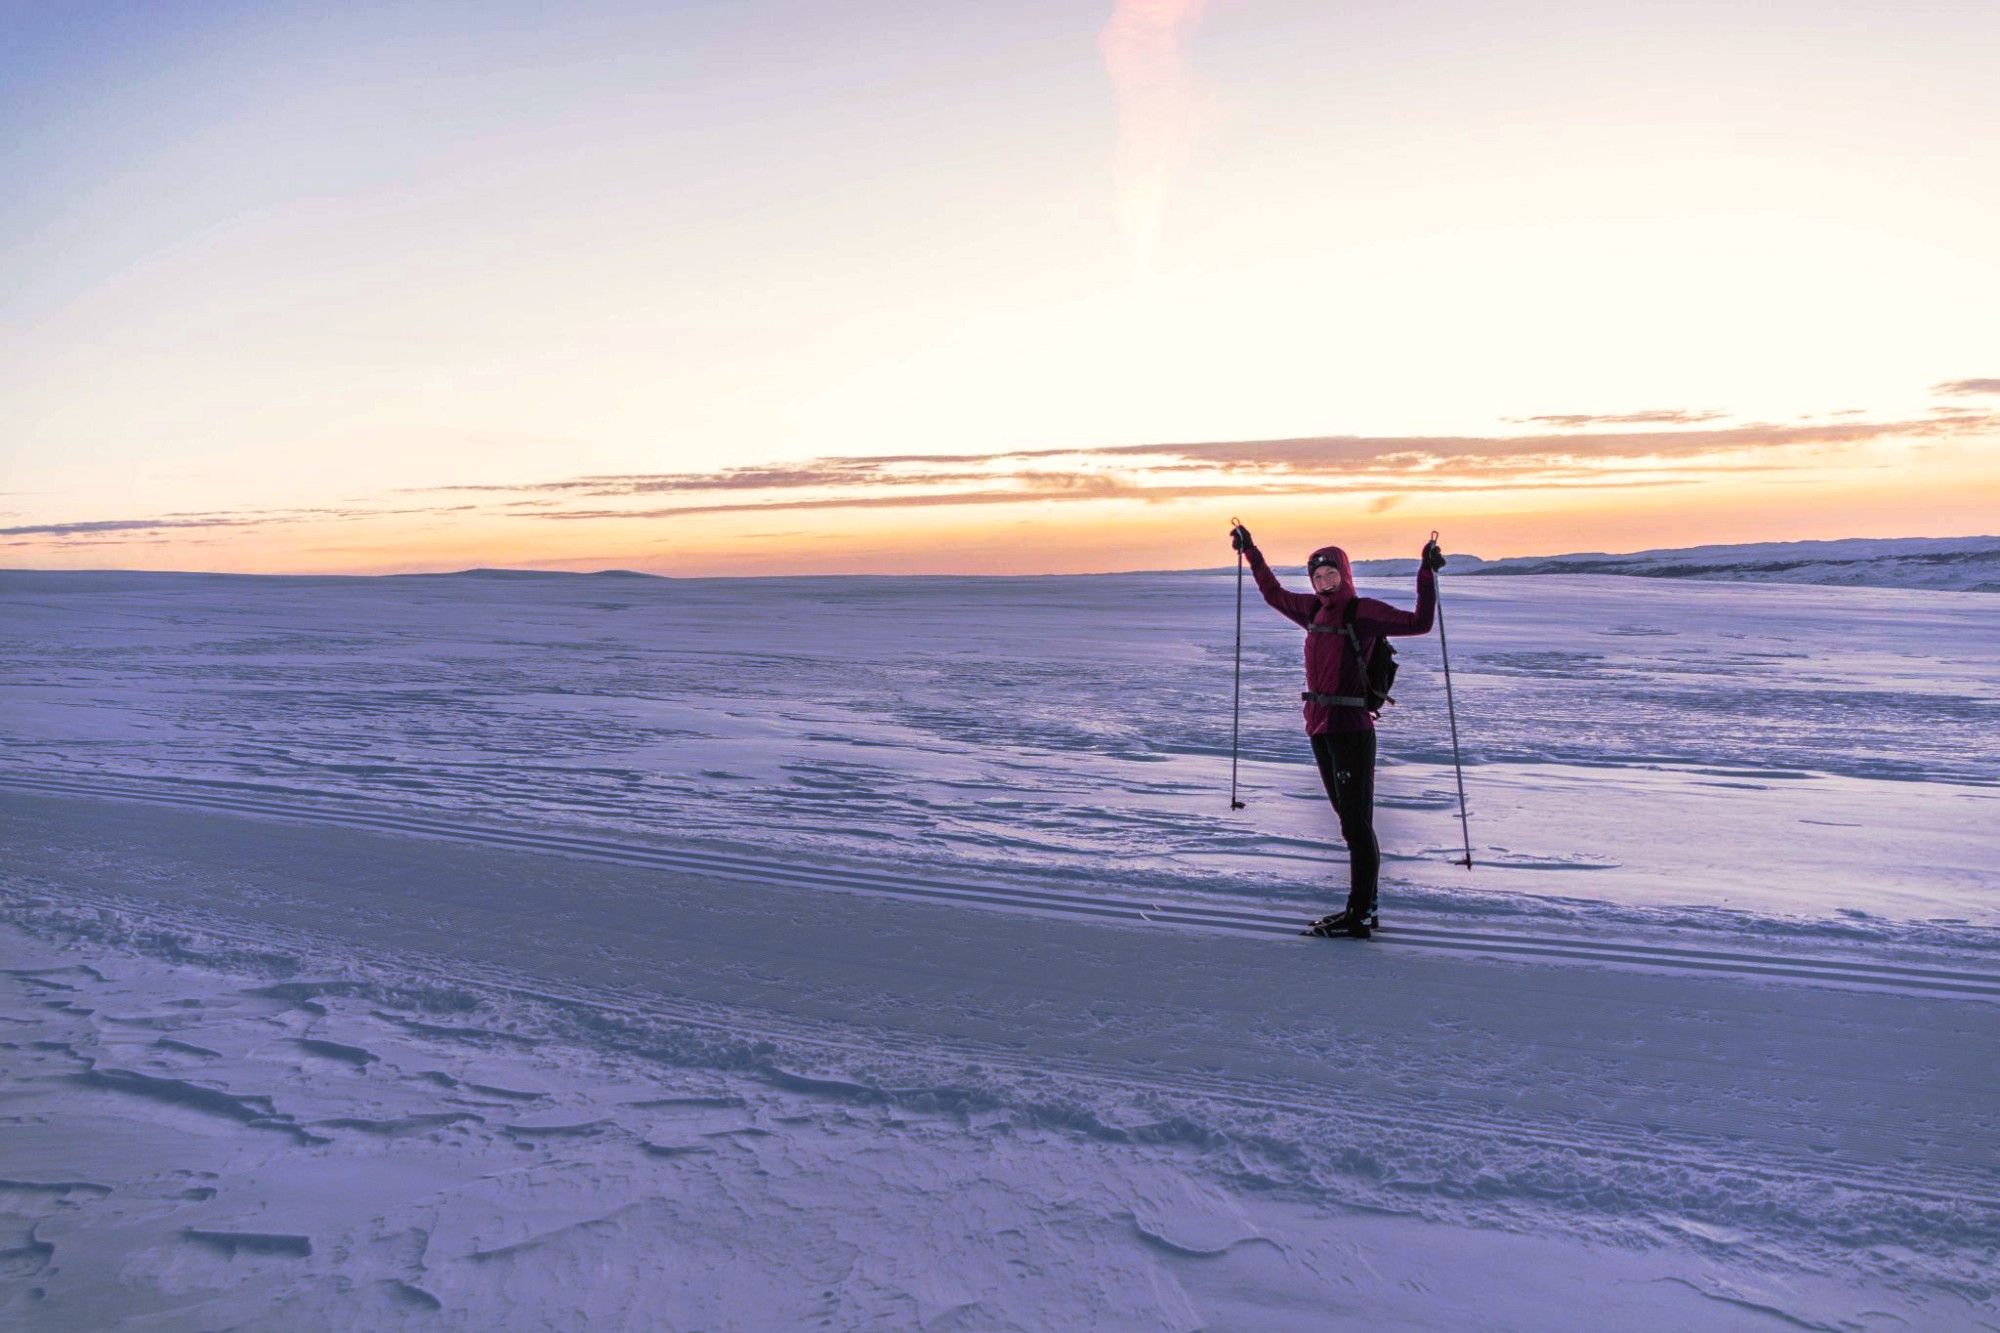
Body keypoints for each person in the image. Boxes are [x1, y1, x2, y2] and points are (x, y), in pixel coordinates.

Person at [1229, 523, 1446, 938]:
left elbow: (1420, 623)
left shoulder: (1361, 612)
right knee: (1349, 822)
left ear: (1344, 575)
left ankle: (1360, 914)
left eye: (1330, 575)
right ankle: (1362, 910)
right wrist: (1251, 552)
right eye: (1317, 576)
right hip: (1320, 728)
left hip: (1351, 729)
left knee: (1356, 825)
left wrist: (1425, 571)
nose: (1324, 582)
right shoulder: (1311, 610)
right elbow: (1272, 593)